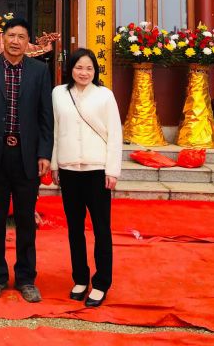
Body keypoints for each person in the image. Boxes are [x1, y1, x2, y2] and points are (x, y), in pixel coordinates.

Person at [0, 17, 53, 303]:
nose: (16, 41)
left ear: (28, 41)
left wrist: (45, 153)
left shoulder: (40, 71)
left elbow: (46, 117)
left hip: (27, 156)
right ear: (2, 38)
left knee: (25, 220)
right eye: (11, 35)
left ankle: (27, 278)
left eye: (22, 36)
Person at [51, 48, 122, 308]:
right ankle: (80, 277)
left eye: (89, 68)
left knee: (101, 228)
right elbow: (56, 131)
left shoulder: (105, 95)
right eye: (79, 67)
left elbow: (115, 133)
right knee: (74, 228)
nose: (84, 72)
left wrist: (112, 169)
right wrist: (56, 163)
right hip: (69, 170)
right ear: (70, 69)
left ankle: (101, 282)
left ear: (95, 70)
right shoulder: (59, 93)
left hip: (97, 171)